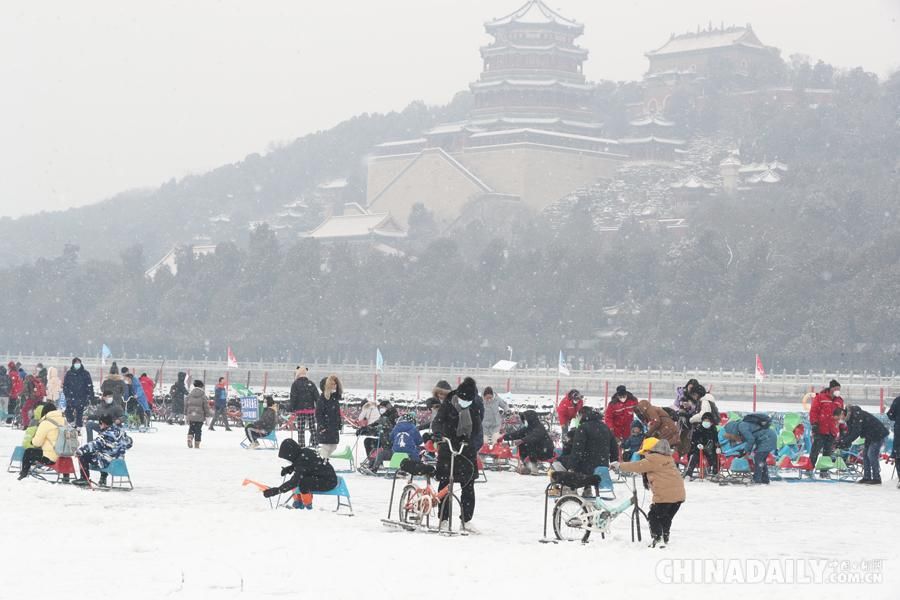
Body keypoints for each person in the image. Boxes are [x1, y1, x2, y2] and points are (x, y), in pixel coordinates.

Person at [431, 377, 483, 530]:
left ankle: (466, 520)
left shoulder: (474, 406)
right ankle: (443, 518)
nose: (464, 402)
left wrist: (472, 442)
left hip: (467, 451)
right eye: (462, 399)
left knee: (468, 485)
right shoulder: (448, 403)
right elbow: (438, 422)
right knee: (445, 483)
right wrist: (438, 434)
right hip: (448, 448)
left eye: (468, 400)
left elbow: (477, 429)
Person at [614, 437, 686, 548]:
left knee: (654, 516)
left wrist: (620, 466)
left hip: (665, 495)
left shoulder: (653, 459)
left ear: (651, 450)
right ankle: (664, 537)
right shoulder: (667, 457)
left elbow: (637, 466)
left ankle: (658, 539)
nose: (644, 455)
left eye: (645, 452)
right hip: (678, 495)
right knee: (665, 518)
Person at [261, 439, 339, 509]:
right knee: (300, 479)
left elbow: (294, 481)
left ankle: (307, 505)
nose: (288, 460)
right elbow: (307, 466)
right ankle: (298, 502)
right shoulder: (304, 452)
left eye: (287, 458)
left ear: (291, 454)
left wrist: (277, 490)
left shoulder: (302, 460)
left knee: (302, 482)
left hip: (328, 481)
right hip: (324, 476)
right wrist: (291, 468)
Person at [73, 414, 133, 486]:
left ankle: (84, 478)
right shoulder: (121, 432)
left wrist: (81, 450)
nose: (99, 426)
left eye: (100, 424)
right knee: (102, 453)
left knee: (84, 456)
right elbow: (129, 443)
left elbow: (94, 444)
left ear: (103, 424)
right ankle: (103, 478)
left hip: (108, 462)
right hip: (119, 461)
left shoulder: (106, 435)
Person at [556, 406, 616, 478]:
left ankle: (567, 485)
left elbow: (578, 450)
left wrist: (572, 467)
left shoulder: (583, 428)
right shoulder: (605, 427)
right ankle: (587, 486)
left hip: (586, 466)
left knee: (557, 462)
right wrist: (614, 461)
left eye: (577, 416)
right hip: (603, 465)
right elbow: (614, 447)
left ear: (581, 415)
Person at [839, 405, 889, 484]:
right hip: (869, 435)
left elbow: (855, 433)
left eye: (839, 417)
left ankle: (876, 478)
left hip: (878, 434)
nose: (840, 420)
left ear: (843, 413)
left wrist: (844, 442)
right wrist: (841, 441)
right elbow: (849, 432)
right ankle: (867, 477)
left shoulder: (856, 415)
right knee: (865, 455)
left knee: (871, 455)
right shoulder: (850, 418)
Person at [723, 413, 776, 484]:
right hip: (767, 437)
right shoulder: (742, 426)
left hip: (767, 439)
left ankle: (757, 479)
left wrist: (746, 451)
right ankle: (764, 479)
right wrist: (745, 450)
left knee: (758, 459)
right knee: (761, 460)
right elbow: (749, 439)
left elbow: (751, 439)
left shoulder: (742, 427)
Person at [18, 401, 65, 480]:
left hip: (50, 458)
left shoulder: (45, 423)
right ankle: (65, 477)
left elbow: (37, 442)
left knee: (28, 452)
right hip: (64, 455)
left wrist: (32, 442)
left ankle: (24, 474)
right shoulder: (64, 421)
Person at [809, 379, 844, 476]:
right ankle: (809, 469)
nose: (838, 391)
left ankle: (824, 471)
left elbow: (841, 416)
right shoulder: (820, 397)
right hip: (820, 429)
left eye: (839, 389)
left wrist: (841, 428)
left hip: (832, 431)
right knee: (815, 450)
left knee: (827, 452)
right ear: (831, 388)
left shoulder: (839, 401)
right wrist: (814, 424)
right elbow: (814, 411)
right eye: (836, 389)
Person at [504, 410, 555, 474]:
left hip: (545, 451)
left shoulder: (539, 427)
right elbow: (517, 434)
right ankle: (527, 465)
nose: (525, 421)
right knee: (523, 445)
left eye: (525, 419)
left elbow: (533, 436)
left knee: (530, 443)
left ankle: (534, 467)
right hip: (535, 451)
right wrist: (504, 437)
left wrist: (522, 440)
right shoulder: (528, 427)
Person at [360, 400, 400, 472]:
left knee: (372, 443)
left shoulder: (394, 416)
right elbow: (376, 424)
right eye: (380, 407)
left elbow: (386, 427)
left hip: (391, 442)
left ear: (387, 407)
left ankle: (376, 462)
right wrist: (365, 429)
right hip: (384, 439)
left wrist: (374, 429)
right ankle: (372, 461)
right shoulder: (383, 416)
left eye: (382, 407)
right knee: (368, 441)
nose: (381, 409)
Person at [289, 366, 319, 447]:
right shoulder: (311, 384)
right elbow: (317, 397)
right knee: (312, 428)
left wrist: (291, 408)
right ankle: (315, 443)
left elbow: (293, 397)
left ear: (297, 374)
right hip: (310, 410)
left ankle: (301, 445)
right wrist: (318, 407)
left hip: (300, 410)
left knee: (301, 429)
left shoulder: (295, 384)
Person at [62, 357, 95, 432]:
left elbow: (89, 386)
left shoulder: (85, 373)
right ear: (73, 364)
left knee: (79, 413)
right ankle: (72, 423)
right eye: (76, 363)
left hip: (82, 396)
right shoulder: (69, 373)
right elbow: (65, 386)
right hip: (71, 397)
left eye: (78, 363)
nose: (77, 364)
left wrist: (90, 396)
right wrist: (67, 395)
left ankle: (78, 429)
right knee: (68, 412)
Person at [683, 412, 719, 479]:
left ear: (711, 422)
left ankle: (715, 473)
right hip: (698, 448)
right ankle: (689, 473)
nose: (706, 422)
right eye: (705, 420)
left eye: (708, 421)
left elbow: (716, 440)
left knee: (715, 457)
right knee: (694, 456)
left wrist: (717, 447)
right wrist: (698, 444)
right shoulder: (698, 428)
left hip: (709, 449)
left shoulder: (713, 430)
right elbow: (694, 439)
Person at [316, 375, 343, 459]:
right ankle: (322, 461)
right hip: (326, 426)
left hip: (333, 426)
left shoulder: (334, 397)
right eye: (332, 384)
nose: (334, 385)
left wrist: (337, 380)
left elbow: (339, 391)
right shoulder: (322, 399)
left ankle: (323, 459)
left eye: (335, 384)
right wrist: (322, 426)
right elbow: (318, 414)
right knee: (326, 446)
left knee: (333, 446)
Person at [185, 380, 212, 449]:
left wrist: (186, 414)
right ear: (201, 386)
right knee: (198, 430)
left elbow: (186, 405)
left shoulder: (190, 394)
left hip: (191, 415)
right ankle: (197, 444)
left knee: (191, 427)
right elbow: (206, 407)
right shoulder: (203, 396)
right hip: (200, 416)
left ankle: (190, 438)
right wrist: (207, 416)